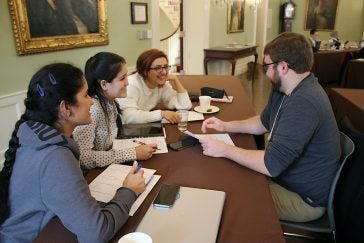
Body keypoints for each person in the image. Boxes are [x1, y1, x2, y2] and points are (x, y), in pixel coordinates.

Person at [200, 32, 340, 223]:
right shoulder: (285, 89)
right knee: (232, 174)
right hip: (285, 178)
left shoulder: (304, 103)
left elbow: (270, 164)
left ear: (283, 67)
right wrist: (225, 125)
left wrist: (224, 149)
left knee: (230, 195)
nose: (264, 72)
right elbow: (263, 123)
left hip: (302, 198)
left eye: (266, 66)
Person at [0, 63, 146, 242]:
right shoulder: (54, 156)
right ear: (66, 108)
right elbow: (97, 232)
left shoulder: (37, 136)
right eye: (85, 95)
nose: (92, 101)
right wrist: (129, 190)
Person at [73, 52, 157, 171]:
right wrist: (132, 153)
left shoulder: (110, 103)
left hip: (106, 167)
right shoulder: (92, 109)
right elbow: (83, 158)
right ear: (104, 84)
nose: (127, 82)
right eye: (122, 78)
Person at [118, 49, 192, 124]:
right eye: (157, 68)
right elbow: (128, 117)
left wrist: (176, 80)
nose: (164, 72)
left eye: (165, 67)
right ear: (145, 71)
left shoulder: (161, 84)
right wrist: (161, 114)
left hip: (143, 127)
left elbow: (184, 106)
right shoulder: (131, 84)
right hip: (124, 130)